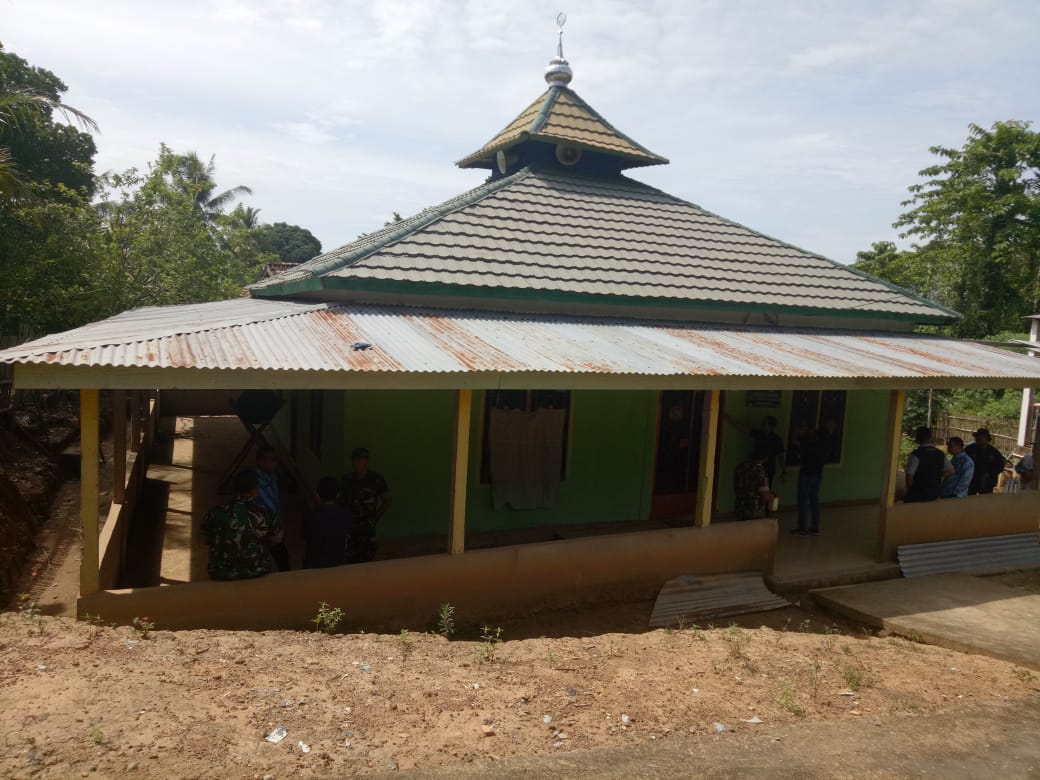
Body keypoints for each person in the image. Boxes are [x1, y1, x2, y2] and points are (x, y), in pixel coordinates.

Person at [202, 470, 284, 580]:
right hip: (256, 573)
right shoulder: (266, 513)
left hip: (222, 574)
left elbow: (204, 539)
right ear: (255, 490)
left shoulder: (215, 512)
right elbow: (277, 539)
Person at [341, 447, 391, 563]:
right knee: (349, 561)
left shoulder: (376, 479)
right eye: (355, 459)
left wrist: (376, 517)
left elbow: (387, 500)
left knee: (367, 561)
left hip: (367, 528)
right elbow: (340, 501)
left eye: (361, 459)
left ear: (367, 462)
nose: (357, 462)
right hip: (350, 528)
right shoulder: (346, 480)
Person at [255, 445, 291, 571]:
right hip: (264, 526)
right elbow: (268, 506)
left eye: (275, 460)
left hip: (274, 525)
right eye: (272, 460)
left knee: (283, 560)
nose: (275, 464)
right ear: (261, 462)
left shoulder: (273, 477)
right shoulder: (256, 482)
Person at [302, 476, 351, 569]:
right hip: (337, 563)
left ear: (318, 495)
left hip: (313, 565)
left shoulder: (309, 515)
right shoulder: (346, 514)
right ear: (338, 495)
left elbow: (305, 535)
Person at [725, 414, 787, 487]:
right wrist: (728, 418)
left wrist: (783, 472)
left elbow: (781, 456)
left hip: (767, 471)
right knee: (752, 489)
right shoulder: (759, 434)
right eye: (763, 422)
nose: (762, 424)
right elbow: (743, 428)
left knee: (764, 491)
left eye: (765, 423)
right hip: (754, 469)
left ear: (771, 426)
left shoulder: (777, 440)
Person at [791, 420, 828, 535]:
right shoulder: (820, 441)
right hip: (817, 475)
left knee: (803, 501)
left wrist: (795, 435)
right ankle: (815, 527)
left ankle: (802, 528)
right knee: (814, 501)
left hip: (806, 474)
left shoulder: (805, 441)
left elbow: (796, 444)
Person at [904, 427, 954, 502]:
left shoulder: (916, 454)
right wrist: (936, 476)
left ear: (917, 438)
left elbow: (909, 476)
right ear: (931, 437)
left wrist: (910, 491)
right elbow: (951, 471)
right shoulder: (940, 454)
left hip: (918, 493)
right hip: (934, 493)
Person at [733, 449, 774, 520]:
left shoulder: (740, 467)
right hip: (754, 510)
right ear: (765, 458)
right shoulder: (760, 472)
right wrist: (771, 496)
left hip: (739, 507)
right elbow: (764, 496)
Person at [965, 428, 1007, 495]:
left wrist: (990, 474)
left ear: (987, 438)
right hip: (971, 480)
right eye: (978, 436)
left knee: (984, 499)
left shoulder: (993, 452)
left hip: (987, 482)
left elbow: (1000, 465)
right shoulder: (969, 449)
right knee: (970, 498)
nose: (979, 438)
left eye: (982, 437)